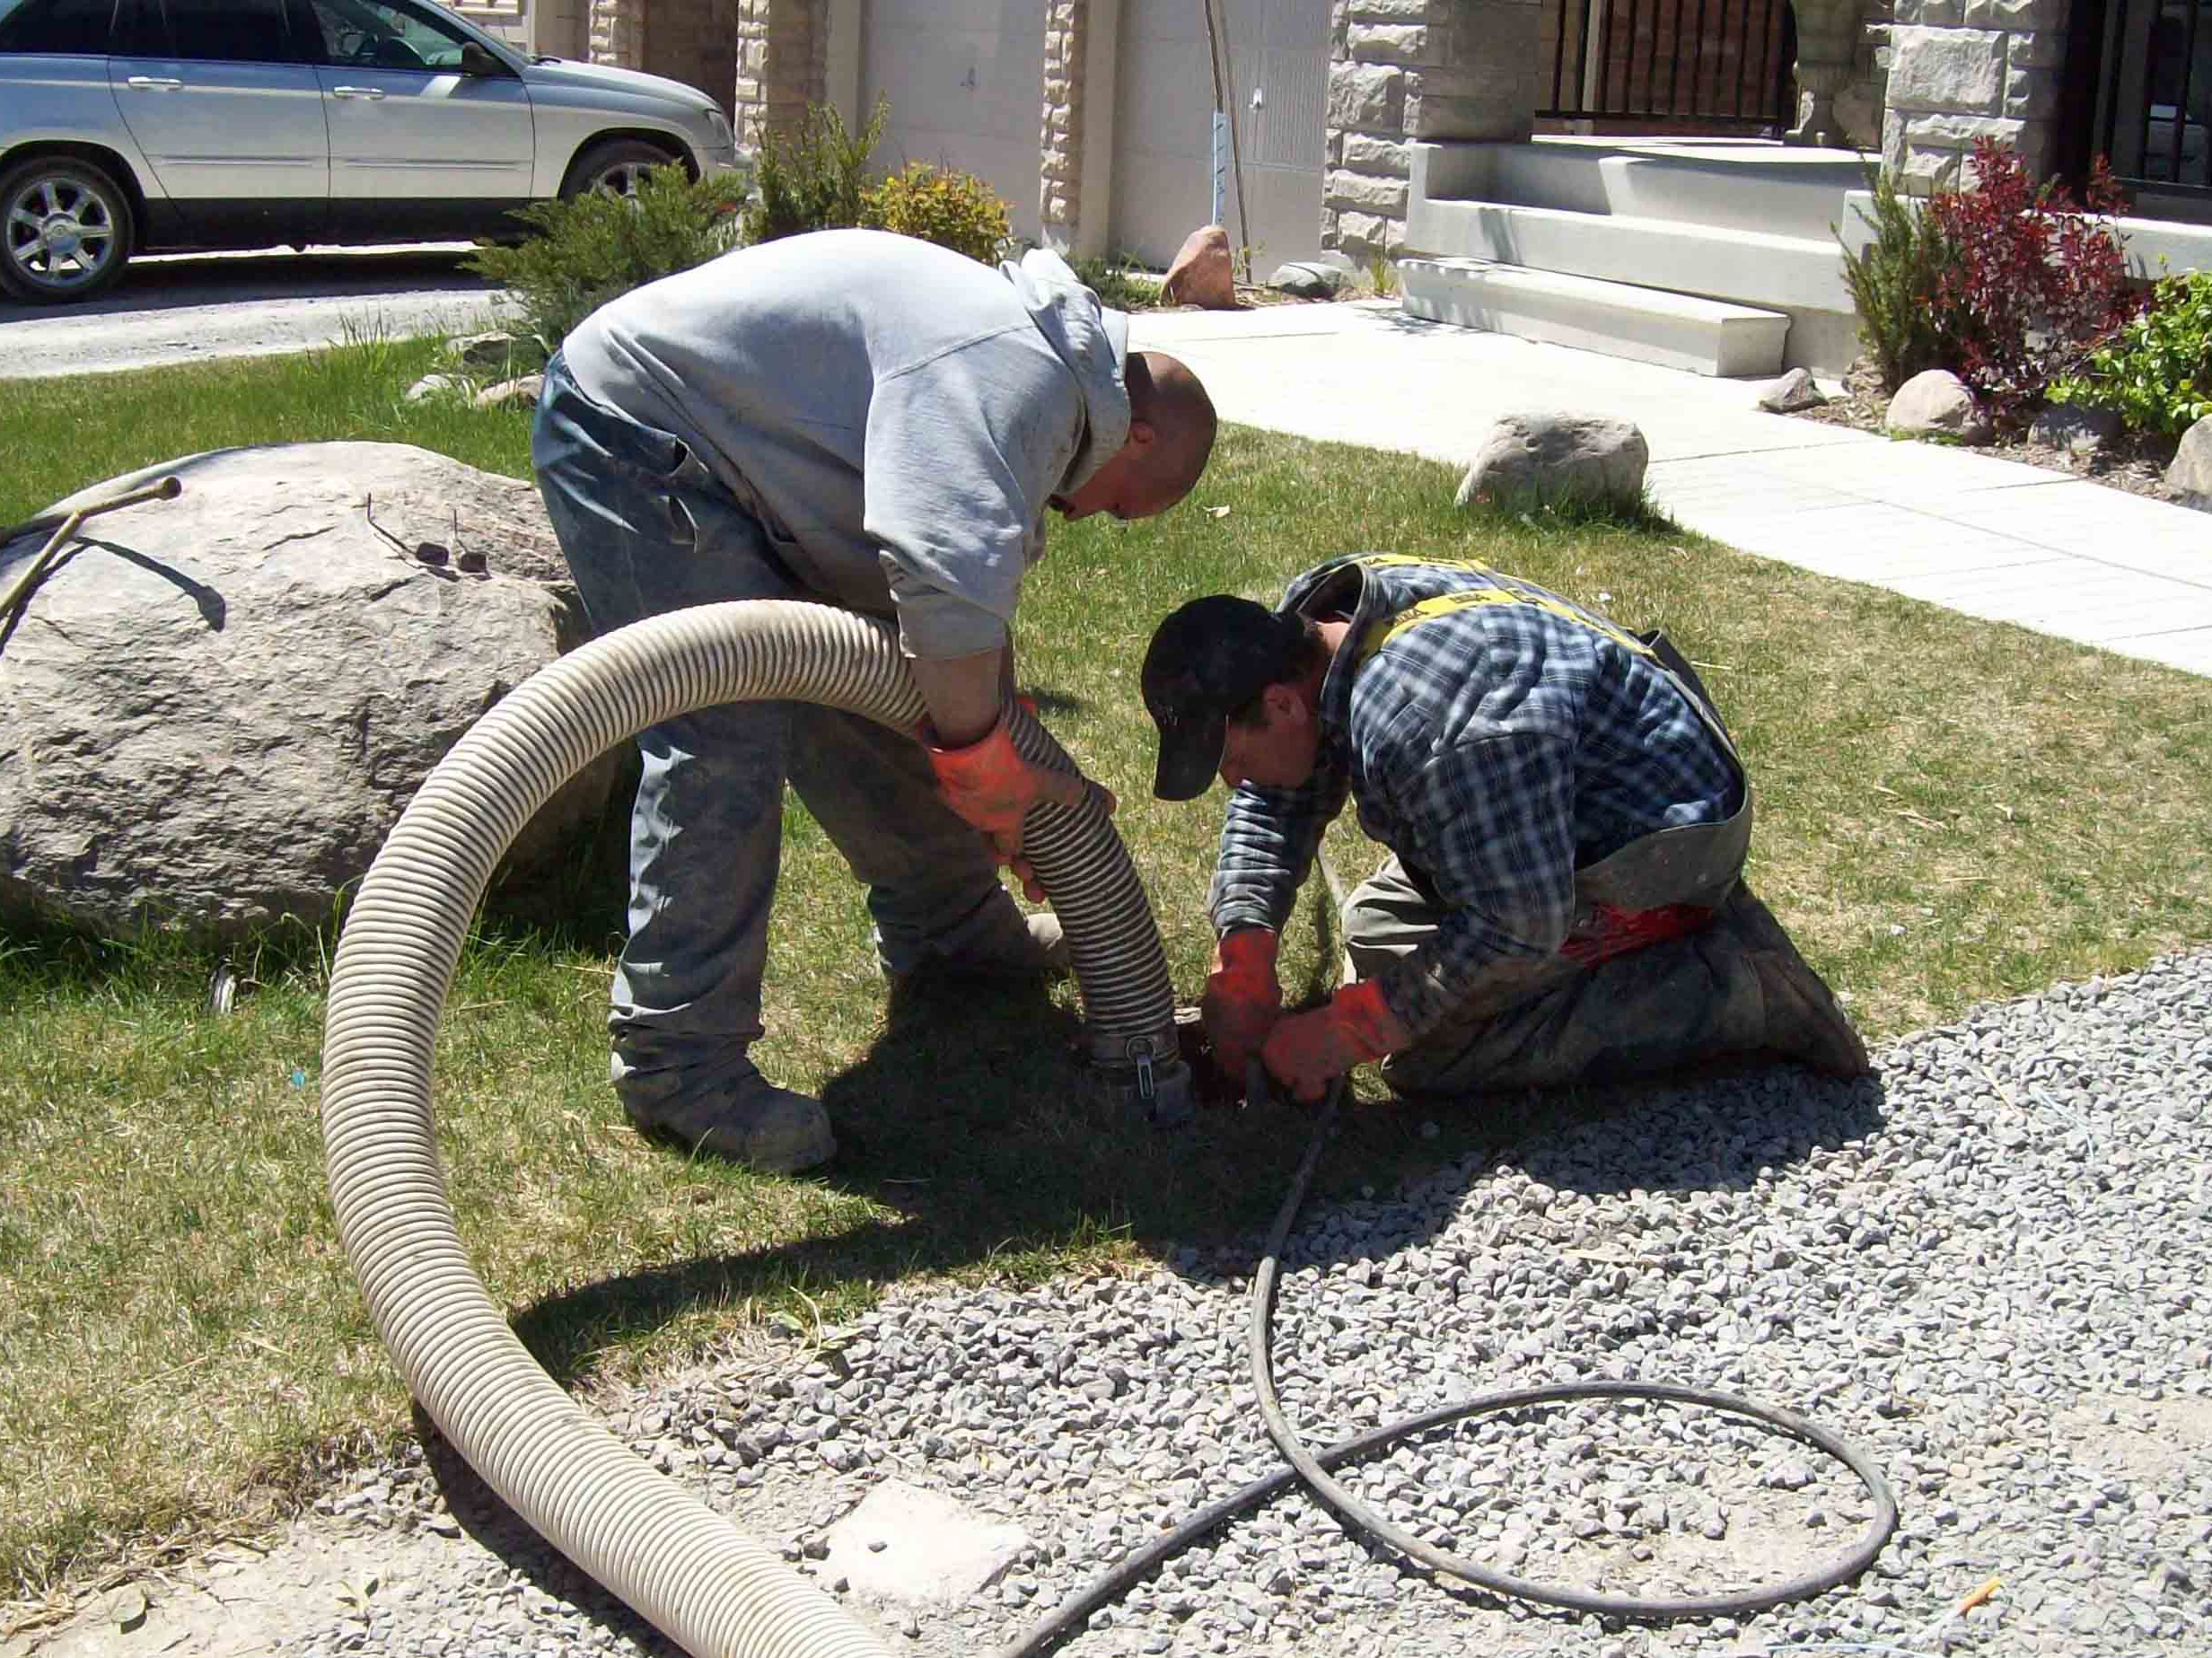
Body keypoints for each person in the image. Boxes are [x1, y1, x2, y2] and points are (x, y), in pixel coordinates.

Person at [533, 229, 1217, 1173]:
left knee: (883, 685)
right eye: (1123, 506)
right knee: (720, 736)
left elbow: (954, 631)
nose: (1090, 516)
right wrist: (991, 769)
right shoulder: (1018, 378)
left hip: (741, 454)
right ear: (1134, 437)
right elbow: (947, 583)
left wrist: (1000, 757)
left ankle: (953, 934)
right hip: (640, 435)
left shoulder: (1031, 368)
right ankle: (677, 1061)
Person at [1141, 552, 1869, 1105]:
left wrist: (1351, 1031)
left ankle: (1736, 985)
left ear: (1280, 703)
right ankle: (1646, 956)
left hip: (1659, 844)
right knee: (1374, 927)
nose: (1234, 782)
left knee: (1433, 1053)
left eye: (1232, 758)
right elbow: (1280, 793)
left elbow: (1521, 920)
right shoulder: (1315, 632)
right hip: (1544, 810)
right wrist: (1244, 948)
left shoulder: (1425, 721)